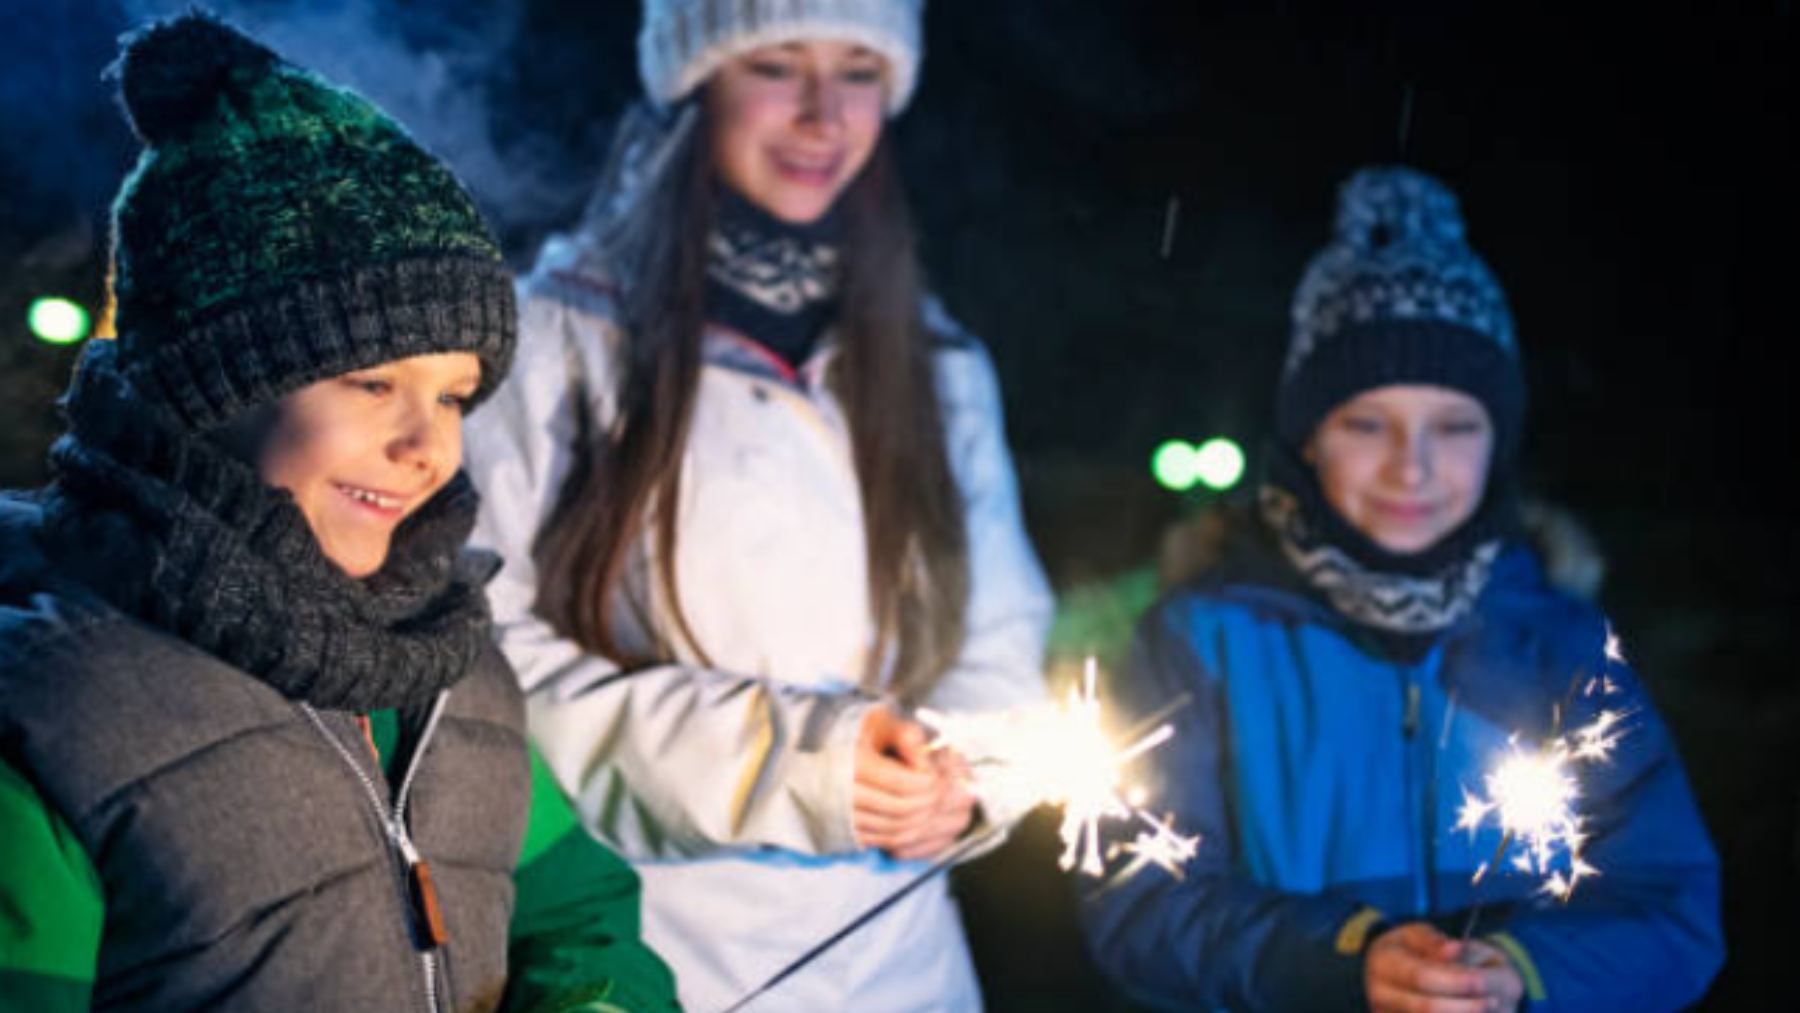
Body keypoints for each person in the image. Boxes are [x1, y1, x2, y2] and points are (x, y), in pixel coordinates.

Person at [0, 14, 674, 1011]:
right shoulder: (54, 714)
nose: (428, 446)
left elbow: (578, 918)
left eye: (453, 394)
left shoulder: (453, 672)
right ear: (208, 392)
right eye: (370, 383)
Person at [464, 0, 1053, 1008]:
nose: (825, 114)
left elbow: (1002, 646)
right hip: (664, 955)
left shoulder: (940, 366)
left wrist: (965, 773)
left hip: (907, 972)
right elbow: (481, 663)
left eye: (860, 71)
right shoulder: (558, 339)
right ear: (696, 84)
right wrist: (783, 763)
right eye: (778, 63)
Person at [1077, 167, 1723, 1012]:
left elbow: (1670, 905)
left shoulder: (1561, 647)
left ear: (1500, 442)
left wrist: (1524, 971)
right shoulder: (1200, 640)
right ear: (1307, 440)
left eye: (1455, 425)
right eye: (1366, 423)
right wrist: (1347, 957)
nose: (1410, 465)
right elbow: (1138, 897)